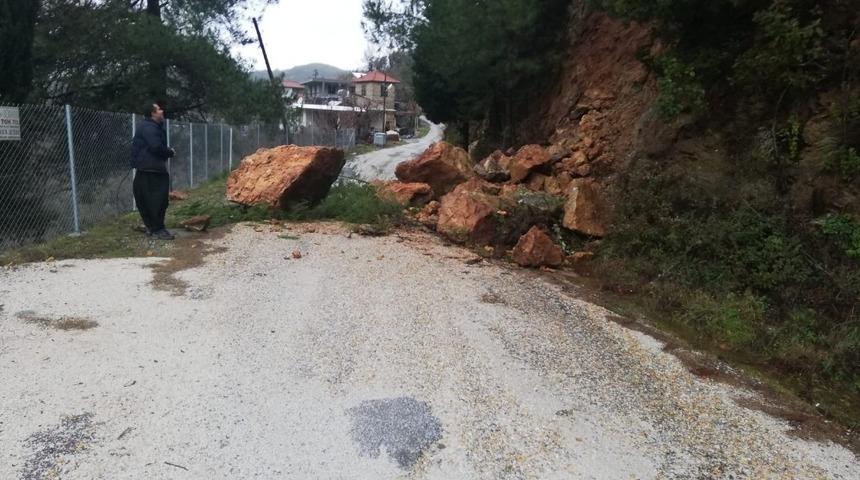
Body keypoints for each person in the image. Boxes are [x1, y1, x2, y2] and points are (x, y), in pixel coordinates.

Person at [131, 101, 175, 240]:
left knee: (150, 200)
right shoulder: (149, 127)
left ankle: (152, 227)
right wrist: (170, 152)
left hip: (149, 169)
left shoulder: (151, 126)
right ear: (153, 113)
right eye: (159, 109)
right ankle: (157, 229)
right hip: (151, 170)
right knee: (158, 201)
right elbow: (156, 147)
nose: (162, 111)